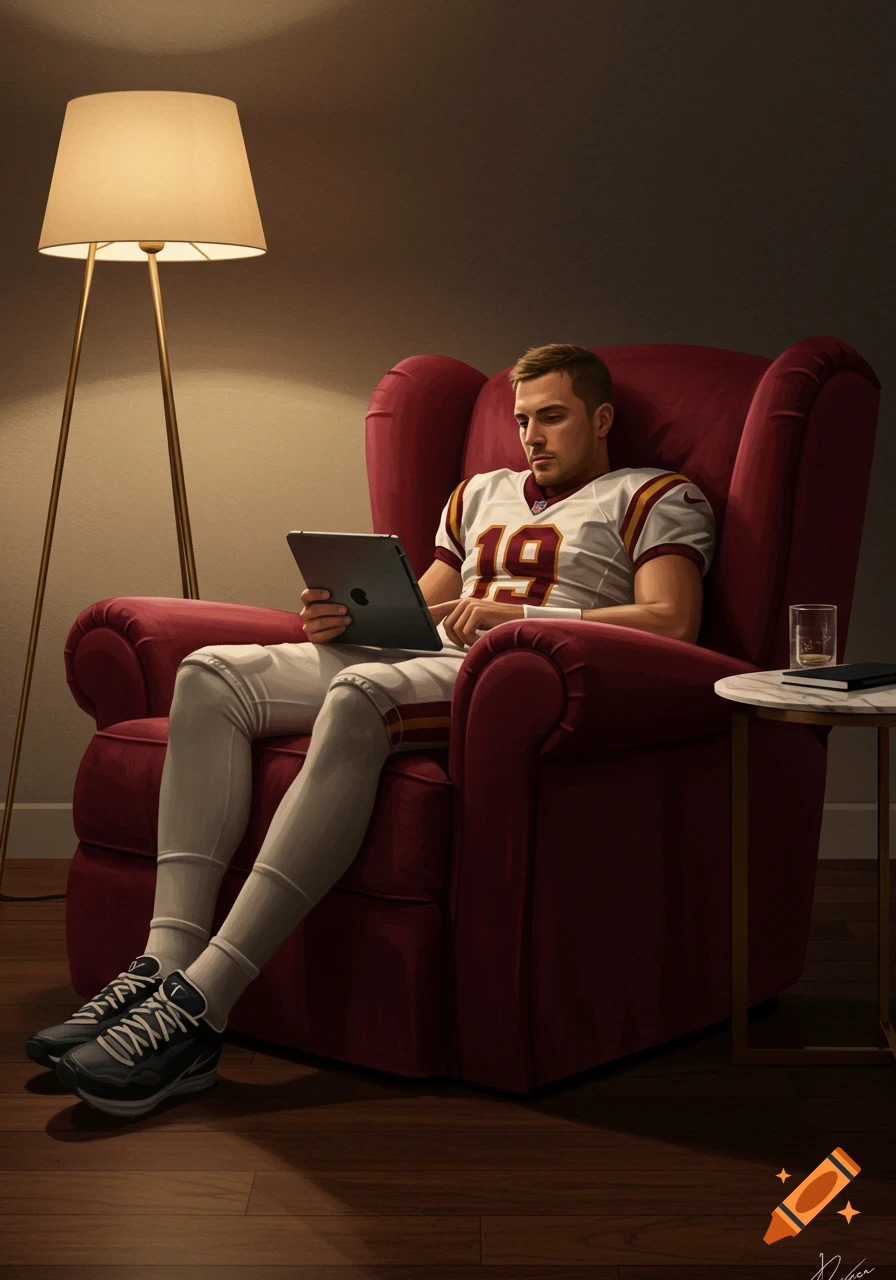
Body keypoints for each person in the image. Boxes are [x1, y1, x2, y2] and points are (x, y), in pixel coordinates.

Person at [25, 342, 715, 1117]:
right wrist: (344, 619)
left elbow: (674, 622)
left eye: (552, 417)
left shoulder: (655, 494)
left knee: (360, 694)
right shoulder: (479, 492)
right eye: (523, 420)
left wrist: (519, 616)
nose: (532, 436)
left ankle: (201, 1009)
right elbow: (419, 615)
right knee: (211, 675)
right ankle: (162, 963)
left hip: (514, 677)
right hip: (433, 657)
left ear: (602, 417)